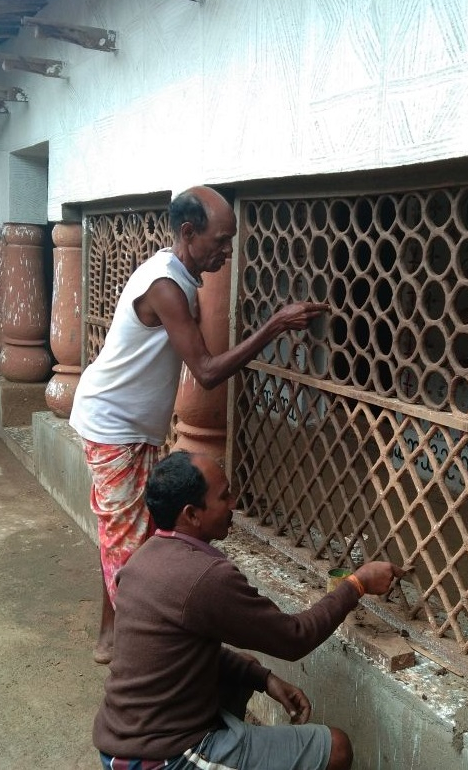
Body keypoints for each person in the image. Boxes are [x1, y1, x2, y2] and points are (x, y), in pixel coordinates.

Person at [69, 185, 329, 663]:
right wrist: (273, 326)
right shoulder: (166, 285)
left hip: (129, 427)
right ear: (189, 233)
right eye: (221, 241)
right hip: (113, 428)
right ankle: (140, 663)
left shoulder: (178, 277)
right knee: (128, 546)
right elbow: (207, 372)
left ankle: (111, 640)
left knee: (125, 534)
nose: (227, 251)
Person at [94, 450, 404, 770]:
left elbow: (178, 654)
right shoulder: (205, 578)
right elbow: (294, 638)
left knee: (245, 668)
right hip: (161, 757)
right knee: (336, 747)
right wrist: (357, 584)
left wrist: (264, 679)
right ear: (192, 514)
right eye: (224, 496)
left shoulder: (146, 558)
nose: (234, 503)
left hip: (121, 739)